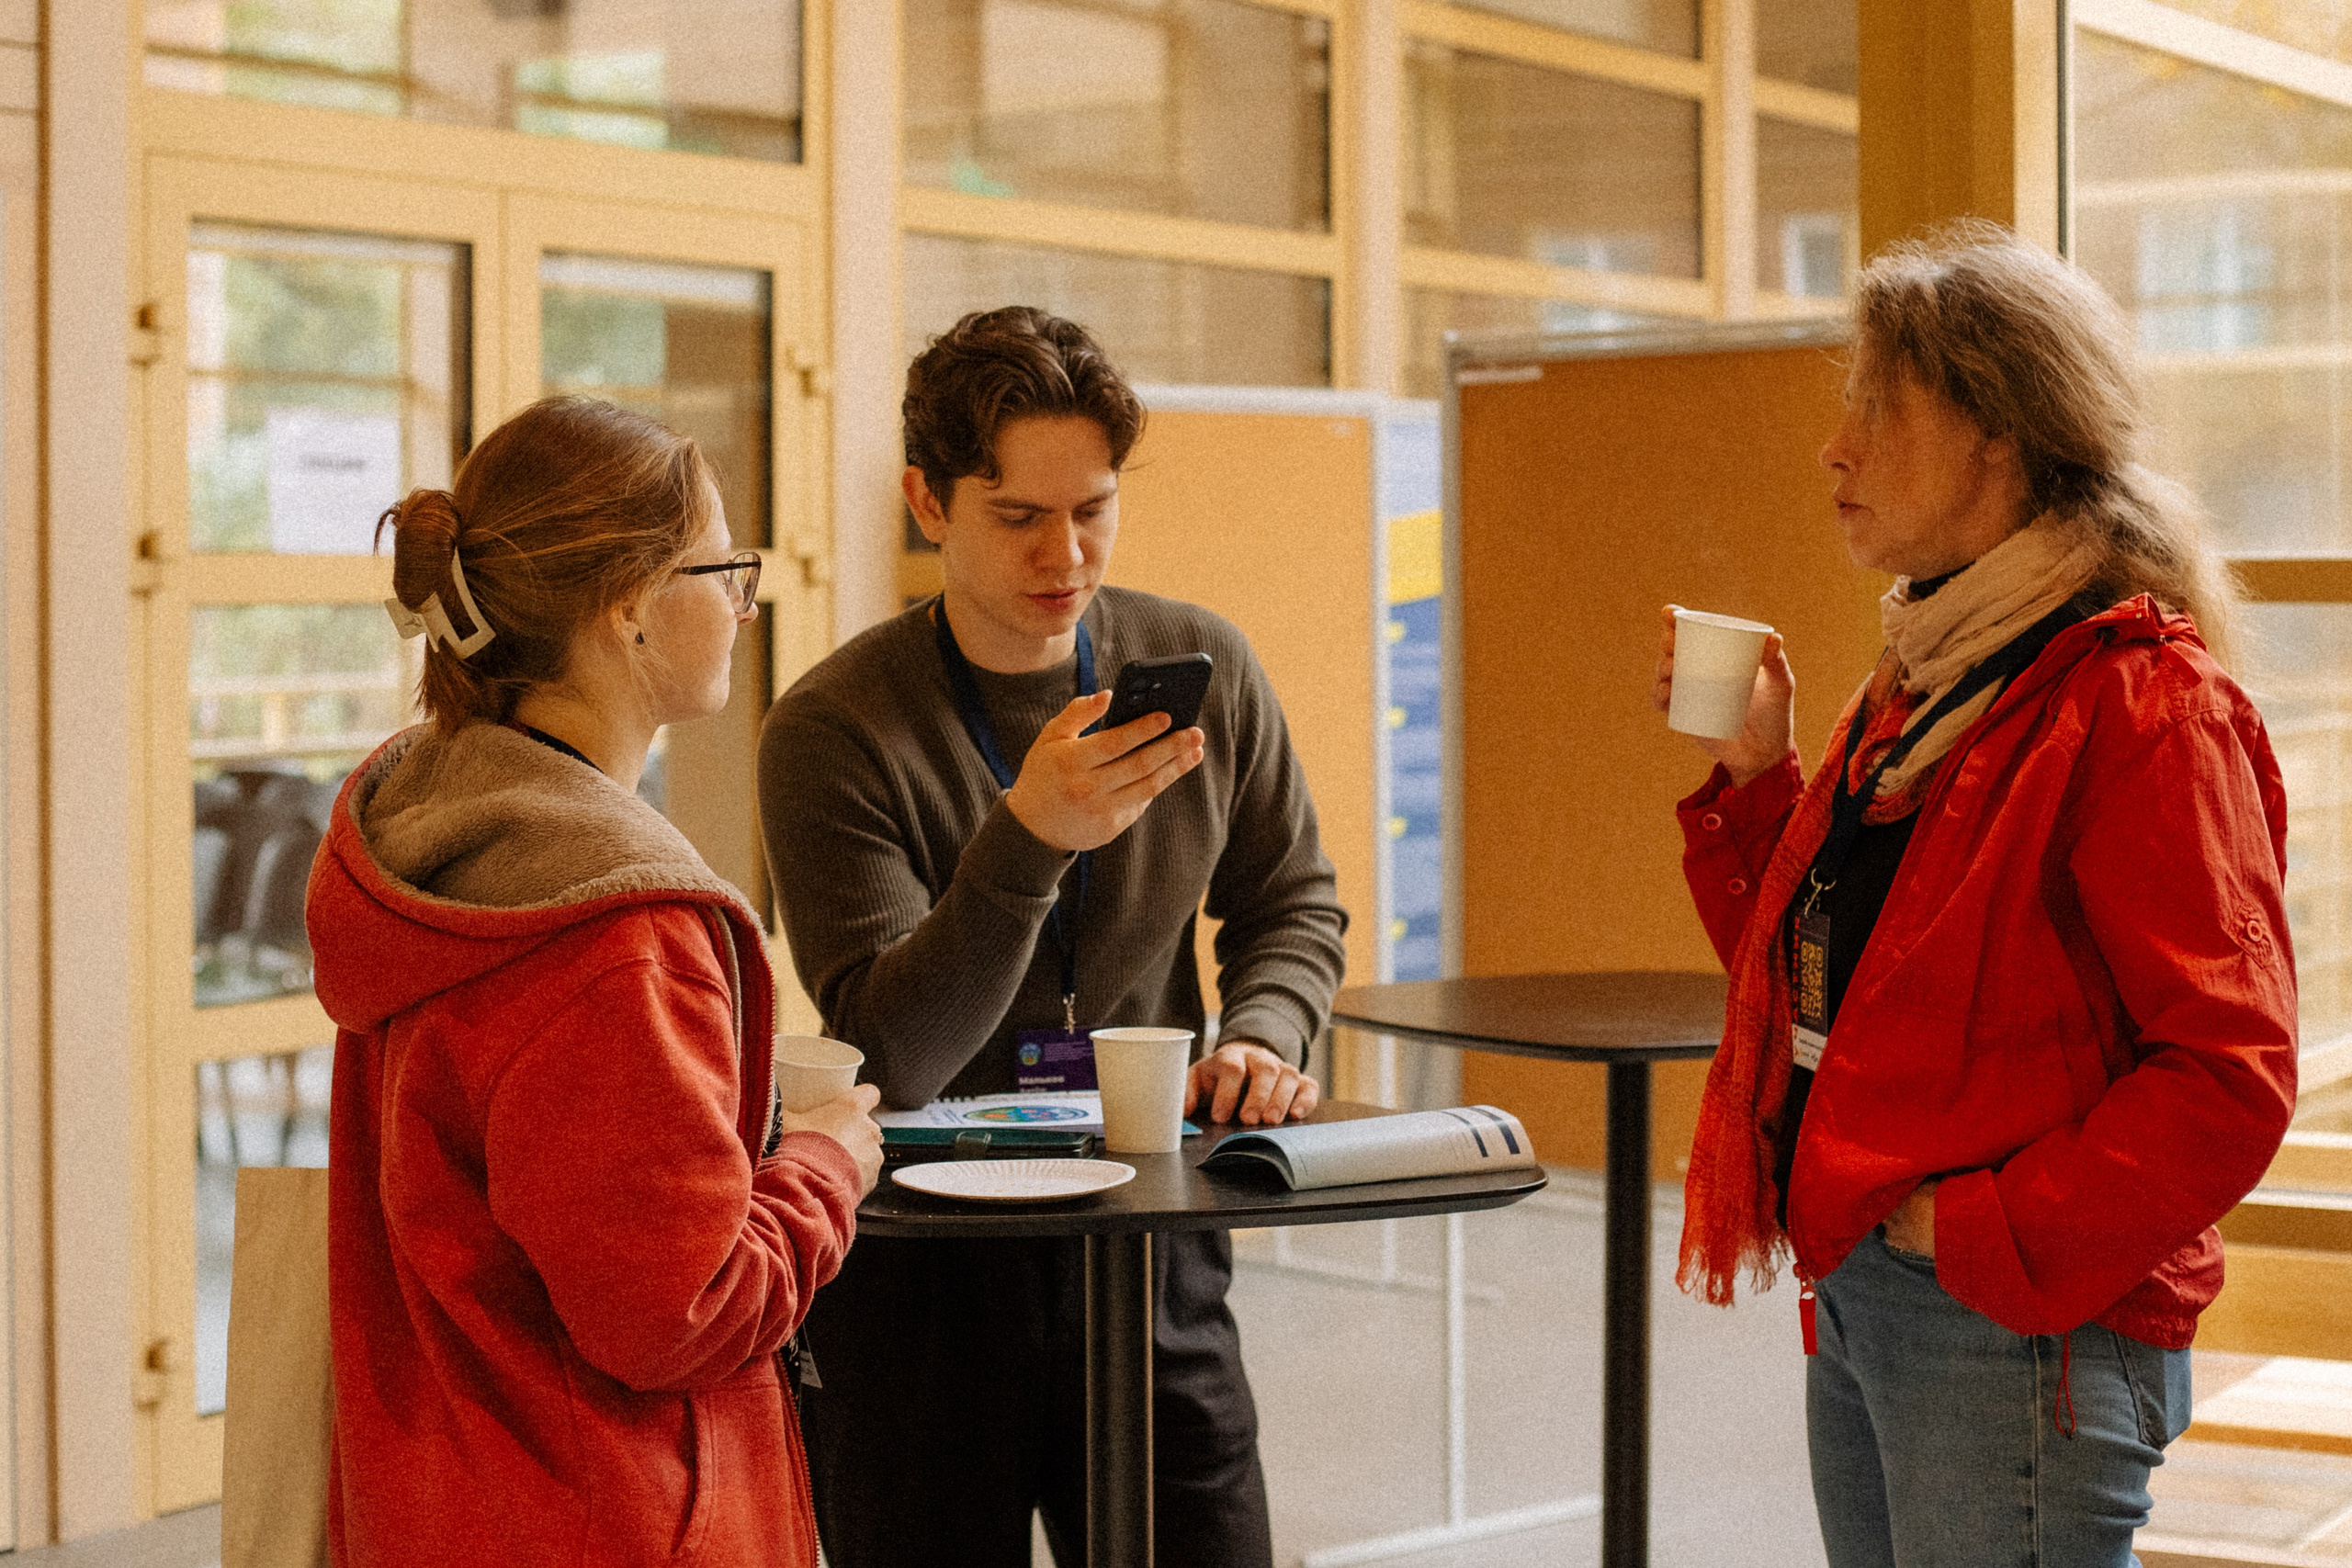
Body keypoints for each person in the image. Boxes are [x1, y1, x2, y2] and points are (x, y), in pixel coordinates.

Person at [1655, 223, 2300, 1565]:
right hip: (1878, 1279)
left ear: (1997, 437)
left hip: (2015, 1316)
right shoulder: (1932, 677)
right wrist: (1763, 782)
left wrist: (1978, 1231)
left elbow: (2227, 1074)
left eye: (1877, 411)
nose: (1833, 449)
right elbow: (1834, 997)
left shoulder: (2140, 702)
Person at [758, 306, 1347, 1566]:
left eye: (1093, 508)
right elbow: (893, 1048)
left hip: (1147, 1236)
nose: (1064, 553)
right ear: (928, 501)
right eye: (1018, 515)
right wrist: (1029, 835)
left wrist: (1263, 1033)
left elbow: (1291, 898)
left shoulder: (1201, 665)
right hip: (921, 1266)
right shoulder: (833, 727)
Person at [308, 395, 883, 1568]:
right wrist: (826, 1168)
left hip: (445, 1503)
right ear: (629, 608)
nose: (743, 605)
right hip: (612, 1518)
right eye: (723, 570)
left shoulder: (430, 841)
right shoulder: (617, 937)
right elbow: (681, 1315)